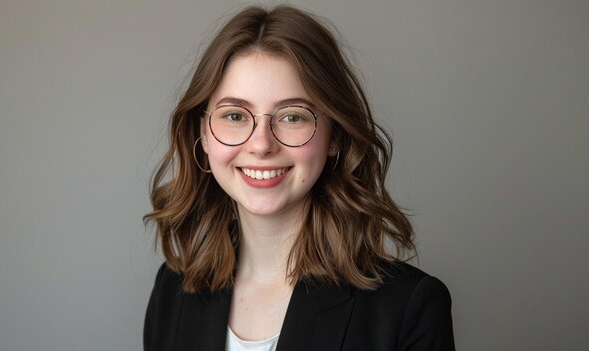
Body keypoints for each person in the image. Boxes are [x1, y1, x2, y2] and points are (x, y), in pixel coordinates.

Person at [143, 5, 454, 351]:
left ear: (334, 135)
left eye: (292, 117)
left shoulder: (408, 307)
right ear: (202, 133)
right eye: (234, 115)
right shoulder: (171, 292)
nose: (261, 144)